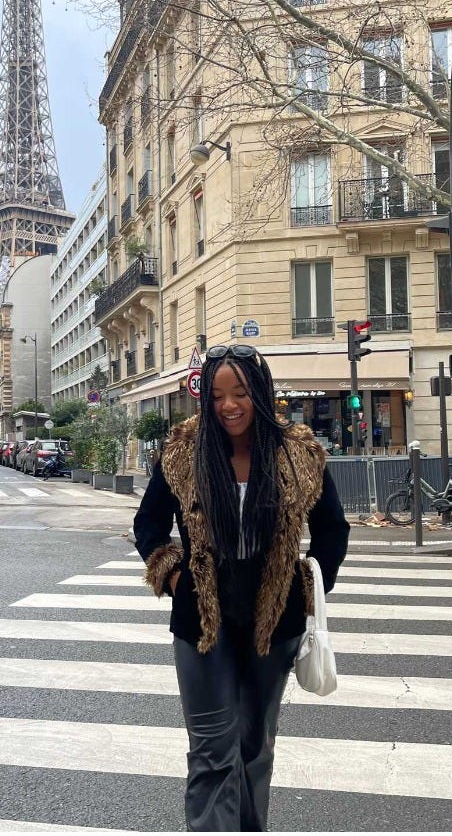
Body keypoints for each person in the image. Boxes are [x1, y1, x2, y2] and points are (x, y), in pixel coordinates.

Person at [134, 344, 350, 831]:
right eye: (215, 396)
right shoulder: (182, 452)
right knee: (211, 752)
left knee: (255, 748)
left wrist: (309, 586)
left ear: (260, 393)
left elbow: (332, 530)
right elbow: (148, 525)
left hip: (274, 619)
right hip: (201, 620)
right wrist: (172, 576)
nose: (228, 405)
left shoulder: (299, 453)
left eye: (240, 393)